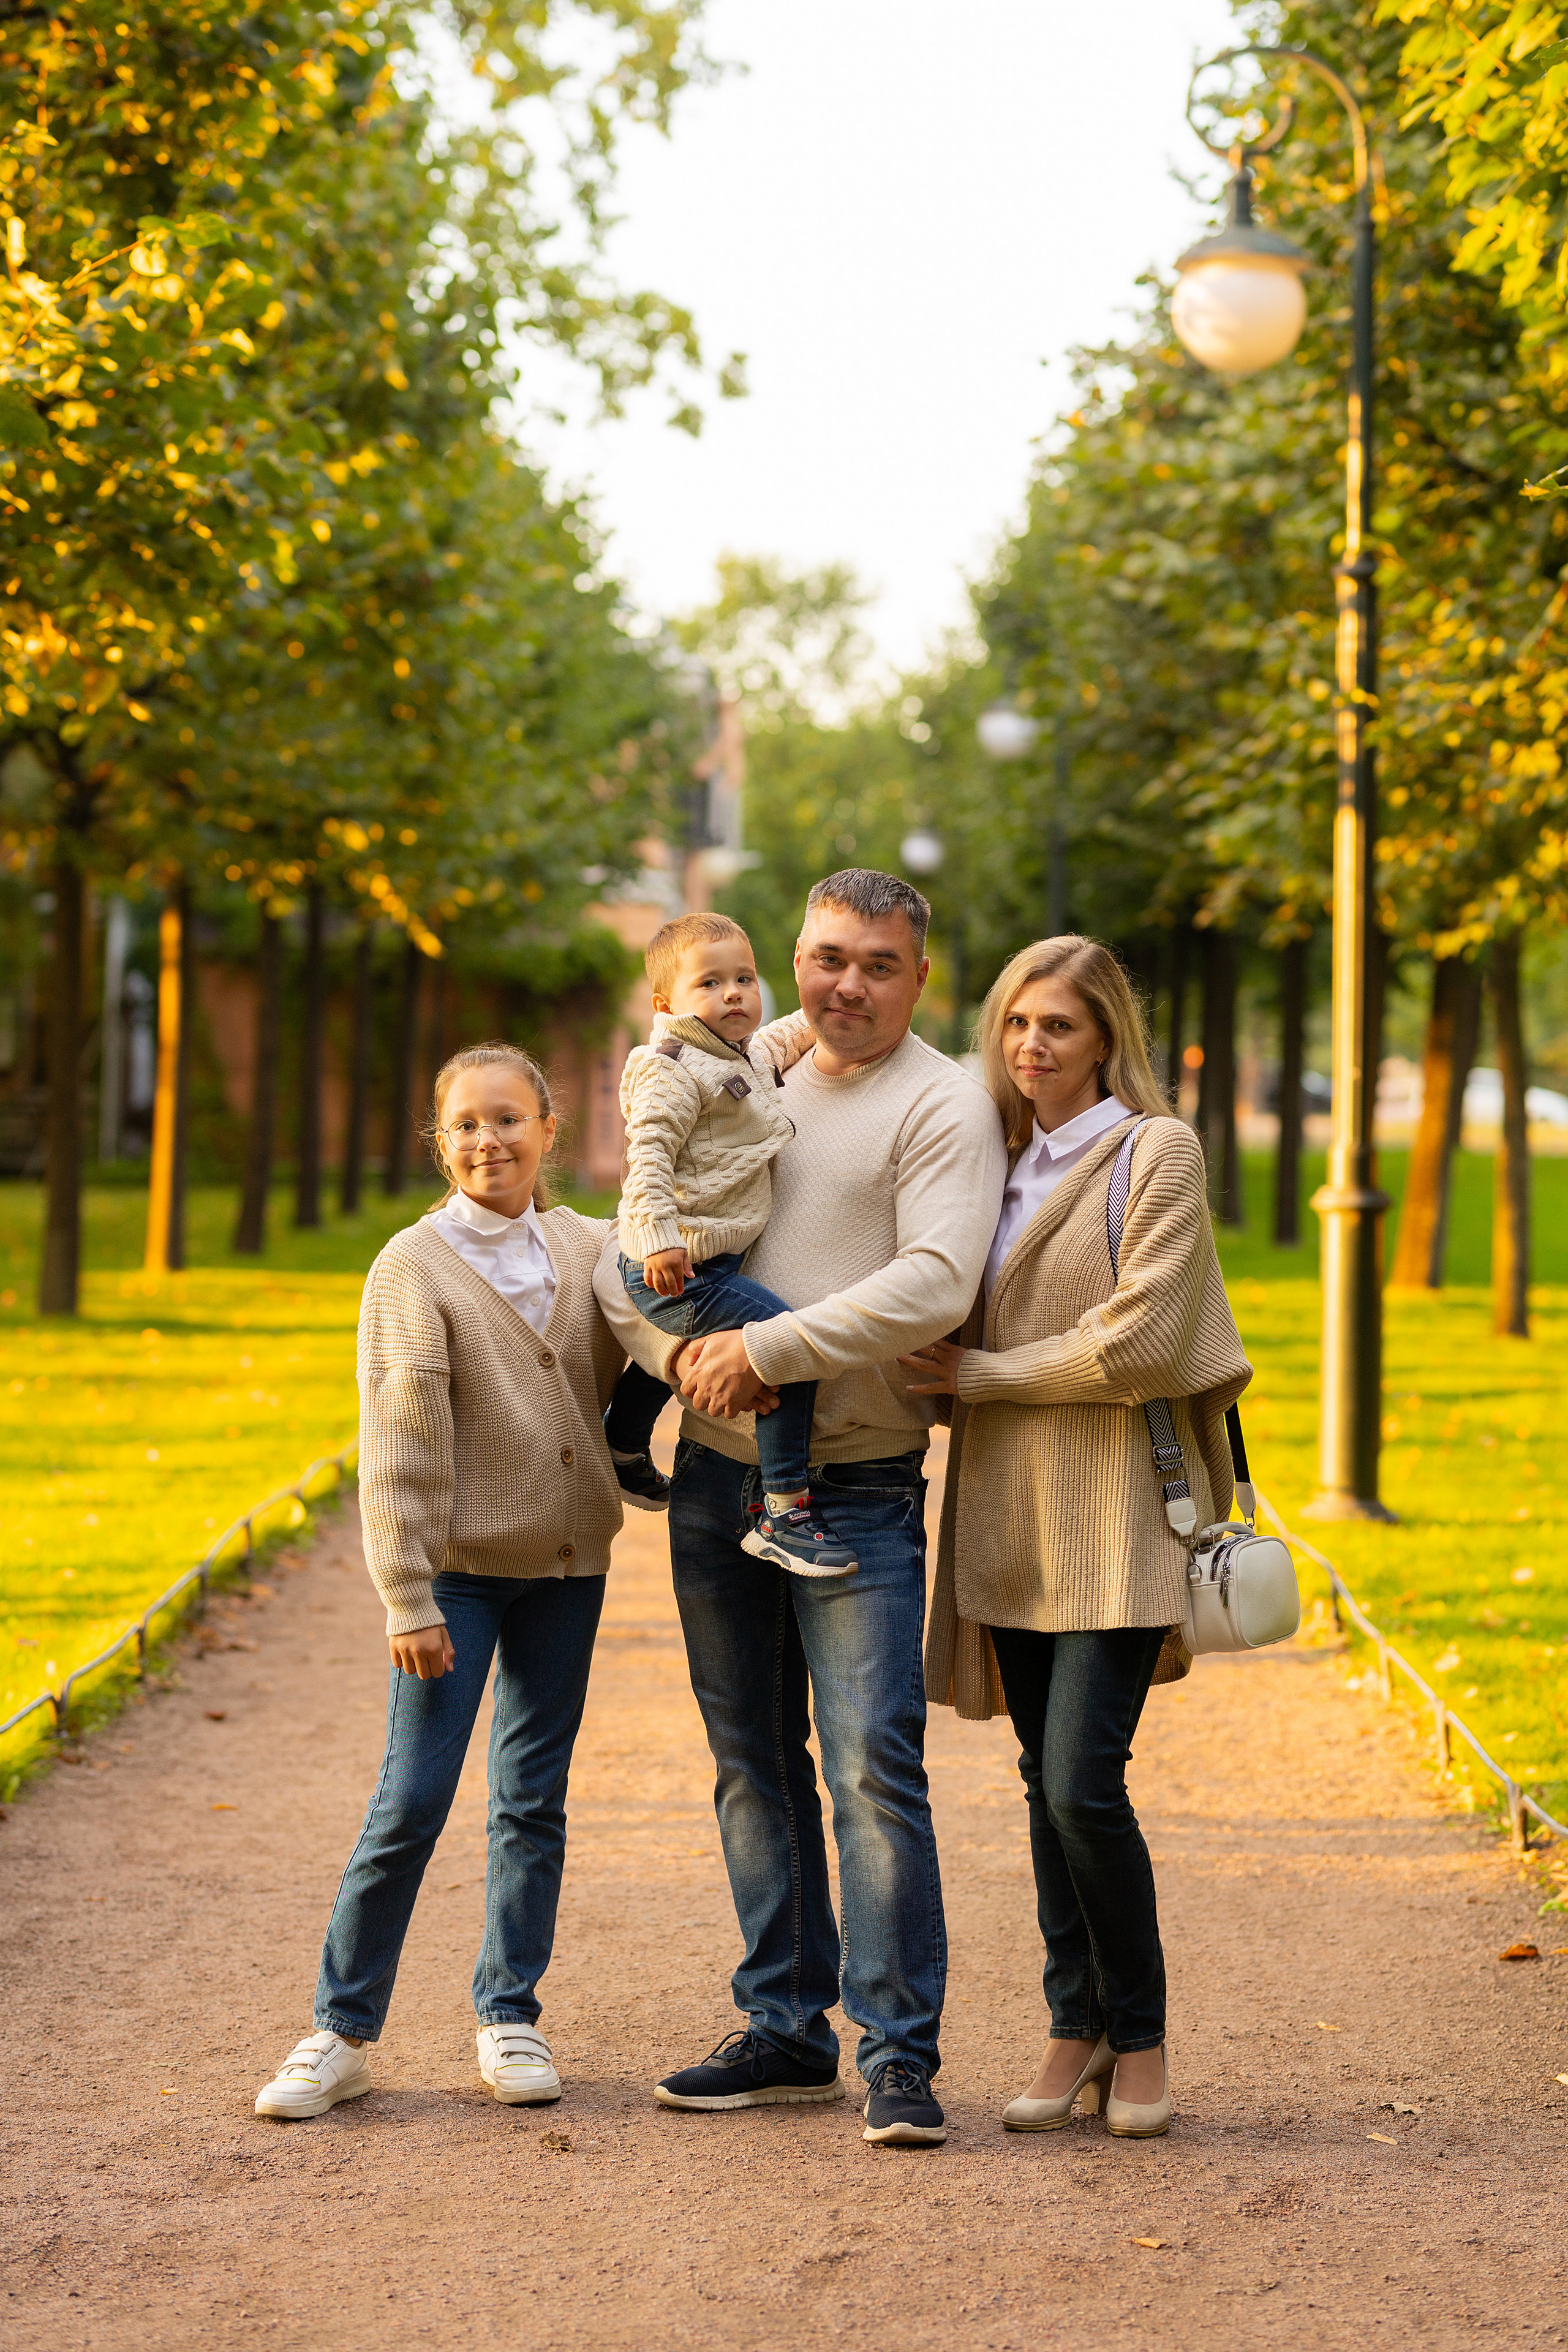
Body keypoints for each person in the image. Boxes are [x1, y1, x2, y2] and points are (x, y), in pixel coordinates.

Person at [594, 869, 1007, 2148]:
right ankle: (785, 2031)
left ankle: (896, 2055)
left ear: (918, 978)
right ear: (791, 958)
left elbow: (934, 1282)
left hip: (859, 1487)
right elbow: (633, 1239)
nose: (847, 985)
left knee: (874, 1772)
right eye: (826, 958)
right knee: (751, 1767)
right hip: (718, 1480)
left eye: (878, 965)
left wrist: (771, 1354)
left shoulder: (941, 1103)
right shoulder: (747, 1068)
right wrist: (673, 1362)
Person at [904, 936, 1251, 2141]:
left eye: (1054, 1026)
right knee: (1035, 1783)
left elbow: (1140, 1344)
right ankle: (1073, 2024)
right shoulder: (985, 1162)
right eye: (1012, 1025)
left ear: (1104, 1037)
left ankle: (1138, 2033)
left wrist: (982, 1373)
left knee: (1081, 1782)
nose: (1029, 1047)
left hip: (1114, 1513)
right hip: (1003, 1512)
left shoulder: (1150, 1151)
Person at [254, 1044, 626, 2121]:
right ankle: (340, 2031)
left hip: (567, 1569)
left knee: (532, 1800)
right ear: (439, 1139)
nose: (487, 1142)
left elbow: (646, 1339)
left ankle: (509, 2013)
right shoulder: (411, 1267)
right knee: (411, 1798)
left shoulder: (587, 1245)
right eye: (465, 1124)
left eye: (508, 1121)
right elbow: (400, 1441)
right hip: (457, 1579)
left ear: (549, 1131)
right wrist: (406, 1595)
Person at [601, 910, 859, 1577]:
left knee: (677, 1359)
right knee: (781, 1340)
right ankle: (784, 1510)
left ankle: (622, 1445)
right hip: (675, 1264)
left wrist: (832, 1004)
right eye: (710, 983)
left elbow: (786, 1035)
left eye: (744, 977)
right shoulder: (671, 1067)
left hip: (704, 1258)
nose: (734, 993)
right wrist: (657, 1237)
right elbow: (649, 1153)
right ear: (667, 1005)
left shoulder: (739, 1052)